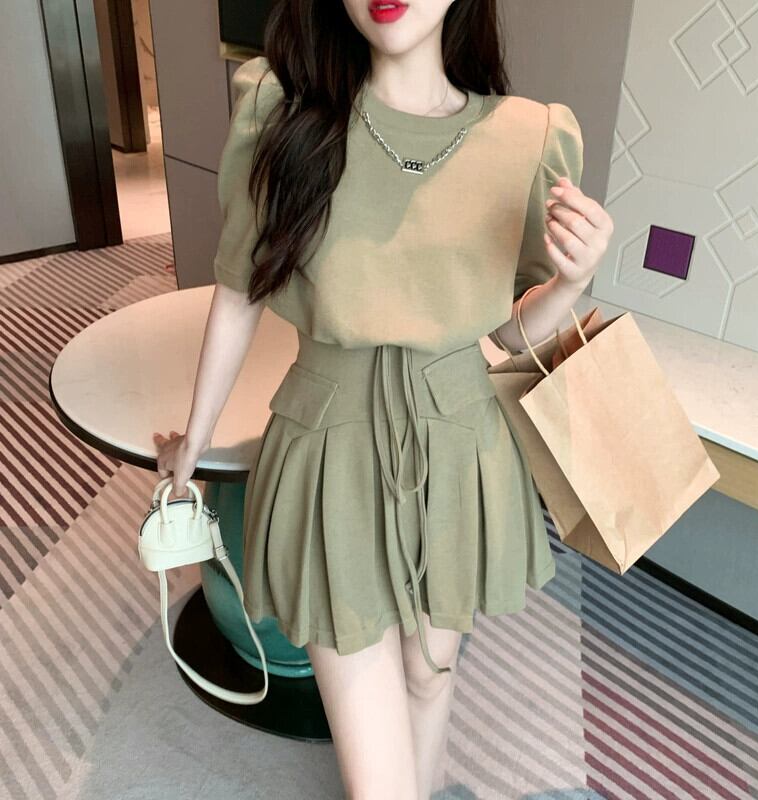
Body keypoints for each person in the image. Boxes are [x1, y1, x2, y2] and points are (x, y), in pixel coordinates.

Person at [154, 1, 614, 797]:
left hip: (459, 446)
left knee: (430, 680)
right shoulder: (282, 111)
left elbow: (506, 336)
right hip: (328, 447)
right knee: (379, 778)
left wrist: (570, 284)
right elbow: (238, 289)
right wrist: (192, 443)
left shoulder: (530, 136)